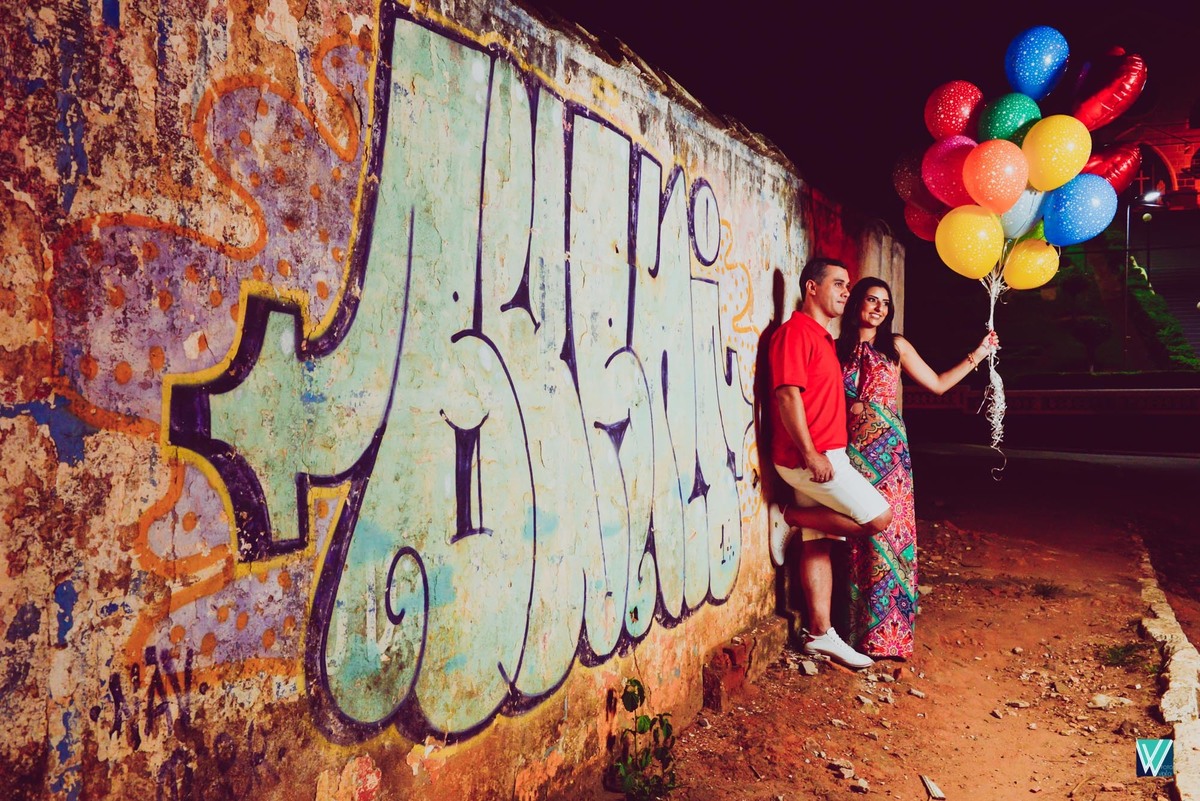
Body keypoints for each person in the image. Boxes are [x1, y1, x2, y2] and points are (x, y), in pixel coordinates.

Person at [792, 275, 997, 660]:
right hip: (848, 450)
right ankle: (851, 632)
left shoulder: (896, 345)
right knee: (855, 538)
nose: (879, 308)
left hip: (889, 451)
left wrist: (980, 353)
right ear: (857, 302)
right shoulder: (833, 348)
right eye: (872, 300)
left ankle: (888, 639)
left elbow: (937, 384)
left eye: (885, 303)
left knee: (891, 536)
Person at [767, 257, 893, 670]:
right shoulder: (794, 333)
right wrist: (810, 454)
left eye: (847, 285)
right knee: (878, 518)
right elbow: (787, 396)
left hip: (824, 454)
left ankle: (819, 633)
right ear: (811, 288)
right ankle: (787, 515)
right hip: (810, 459)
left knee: (818, 542)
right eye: (838, 284)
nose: (845, 292)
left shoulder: (823, 338)